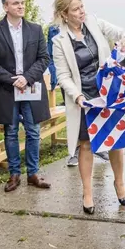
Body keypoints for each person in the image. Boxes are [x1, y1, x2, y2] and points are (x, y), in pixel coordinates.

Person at [51, 0, 125, 214]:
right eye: (76, 9)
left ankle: (119, 183)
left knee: (116, 141)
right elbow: (63, 76)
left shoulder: (94, 22)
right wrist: (77, 96)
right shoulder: (59, 42)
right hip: (84, 99)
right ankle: (88, 192)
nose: (82, 11)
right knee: (86, 145)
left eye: (82, 6)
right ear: (64, 14)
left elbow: (124, 32)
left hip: (108, 94)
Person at [0, 0, 52, 192]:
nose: (20, 6)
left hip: (31, 87)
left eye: (22, 3)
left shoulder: (36, 29)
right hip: (6, 88)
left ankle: (33, 174)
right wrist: (12, 80)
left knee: (33, 131)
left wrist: (27, 78)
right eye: (15, 3)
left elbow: (44, 58)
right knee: (11, 132)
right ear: (5, 7)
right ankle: (14, 174)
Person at [47, 23, 110, 166]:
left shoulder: (89, 24)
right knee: (78, 119)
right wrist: (53, 78)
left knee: (99, 119)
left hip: (94, 83)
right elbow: (51, 56)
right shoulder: (54, 30)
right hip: (71, 81)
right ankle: (76, 150)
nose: (80, 11)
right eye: (74, 8)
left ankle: (100, 147)